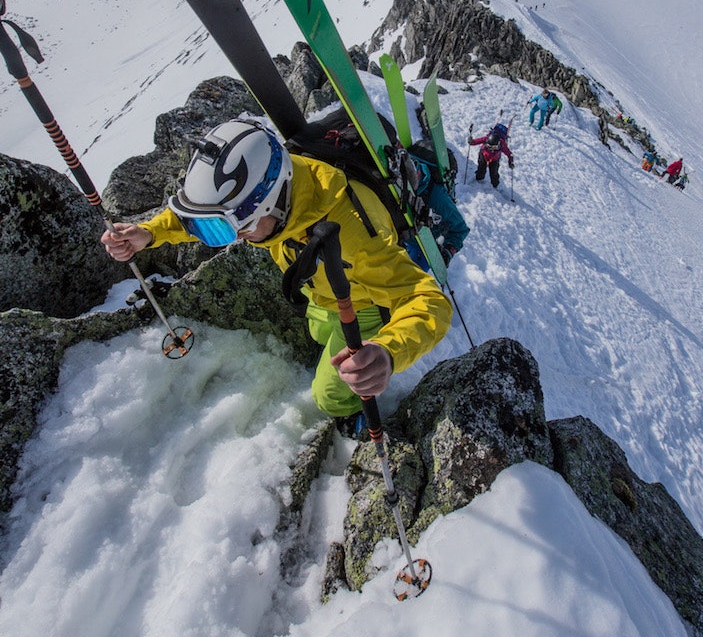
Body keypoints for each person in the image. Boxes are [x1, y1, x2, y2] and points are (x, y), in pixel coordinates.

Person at [101, 118, 453, 436]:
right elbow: (202, 217)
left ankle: (349, 411)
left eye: (236, 228)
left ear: (272, 205)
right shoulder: (274, 193)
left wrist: (388, 352)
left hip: (362, 305)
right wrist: (149, 233)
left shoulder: (357, 233)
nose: (233, 238)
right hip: (323, 294)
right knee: (319, 329)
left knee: (329, 394)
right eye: (219, 230)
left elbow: (428, 300)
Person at [408, 144, 470, 266]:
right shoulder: (394, 183)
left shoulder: (437, 198)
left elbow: (460, 229)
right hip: (403, 235)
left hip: (424, 243)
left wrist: (447, 252)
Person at [469, 124, 514, 188]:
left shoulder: (502, 144)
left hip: (495, 159)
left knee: (494, 173)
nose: (490, 149)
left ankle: (495, 185)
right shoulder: (486, 139)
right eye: (488, 146)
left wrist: (510, 161)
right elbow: (476, 141)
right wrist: (471, 141)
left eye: (493, 147)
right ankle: (479, 179)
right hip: (484, 155)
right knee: (481, 168)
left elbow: (509, 154)